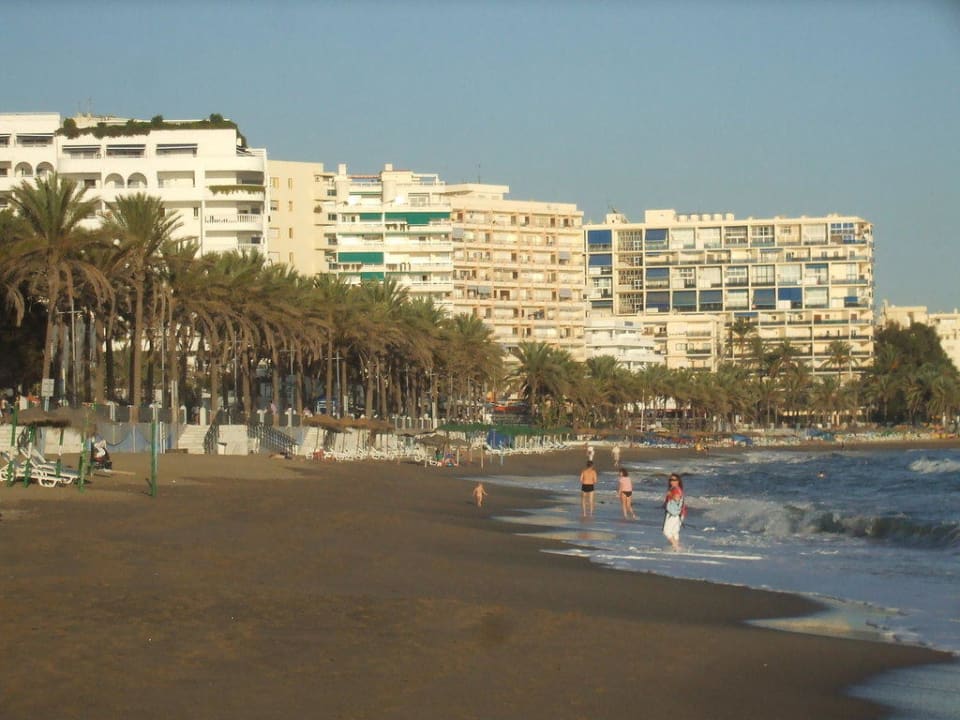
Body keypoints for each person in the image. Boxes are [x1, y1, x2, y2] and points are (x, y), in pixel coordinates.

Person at [662, 473, 687, 550]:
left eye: (674, 480)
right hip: (680, 513)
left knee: (666, 531)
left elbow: (677, 498)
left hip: (674, 513)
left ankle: (676, 547)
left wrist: (670, 495)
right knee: (674, 532)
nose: (672, 482)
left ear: (678, 481)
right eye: (670, 480)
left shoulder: (675, 489)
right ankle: (676, 548)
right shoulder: (679, 489)